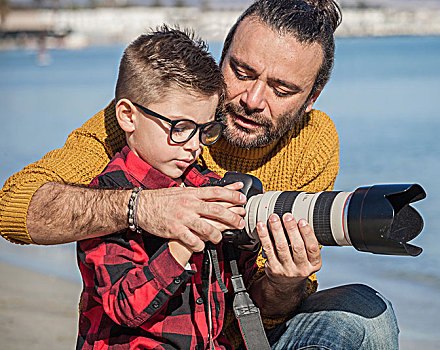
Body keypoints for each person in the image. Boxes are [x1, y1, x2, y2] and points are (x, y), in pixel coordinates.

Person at [0, 0, 399, 349]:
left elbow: (271, 310)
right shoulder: (155, 117)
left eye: (281, 89)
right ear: (221, 58)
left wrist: (284, 282)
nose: (252, 100)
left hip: (240, 330)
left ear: (311, 98)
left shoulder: (313, 140)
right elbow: (14, 207)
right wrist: (145, 207)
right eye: (242, 71)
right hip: (150, 332)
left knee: (368, 315)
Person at [77, 26, 261, 349]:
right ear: (128, 116)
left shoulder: (200, 182)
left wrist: (247, 240)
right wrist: (181, 246)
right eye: (181, 128)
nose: (194, 147)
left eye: (204, 131)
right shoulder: (105, 199)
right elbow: (124, 305)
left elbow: (231, 282)